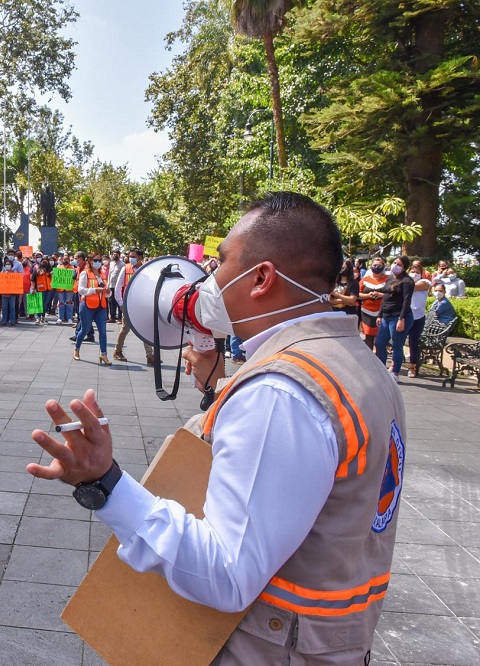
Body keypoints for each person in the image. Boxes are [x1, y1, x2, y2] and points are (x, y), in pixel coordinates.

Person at [27, 192, 405, 664]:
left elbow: (226, 572)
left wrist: (103, 482)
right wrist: (222, 391)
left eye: (221, 262)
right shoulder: (363, 369)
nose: (210, 278)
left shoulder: (281, 392)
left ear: (262, 277)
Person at [374, 256, 415, 380]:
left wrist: (401, 318)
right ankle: (381, 369)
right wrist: (380, 314)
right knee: (379, 343)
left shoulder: (407, 281)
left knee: (396, 344)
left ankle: (395, 372)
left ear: (404, 268)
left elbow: (406, 301)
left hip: (399, 317)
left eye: (399, 264)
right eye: (394, 262)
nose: (395, 265)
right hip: (386, 316)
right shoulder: (391, 279)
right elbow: (385, 298)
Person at [113, 249, 153, 365]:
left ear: (140, 257)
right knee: (125, 328)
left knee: (145, 329)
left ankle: (149, 356)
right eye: (130, 256)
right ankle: (117, 351)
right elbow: (118, 287)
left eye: (133, 256)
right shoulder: (125, 268)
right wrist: (121, 303)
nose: (131, 258)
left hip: (141, 304)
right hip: (128, 304)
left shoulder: (146, 270)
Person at [74, 253, 111, 365]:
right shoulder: (85, 273)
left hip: (101, 306)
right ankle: (77, 349)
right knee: (84, 330)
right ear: (90, 261)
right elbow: (81, 290)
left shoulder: (103, 274)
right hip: (87, 306)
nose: (98, 262)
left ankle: (104, 354)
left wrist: (108, 292)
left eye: (100, 260)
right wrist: (94, 290)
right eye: (95, 260)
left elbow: (106, 292)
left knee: (103, 331)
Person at [405, 260, 432, 379]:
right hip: (405, 315)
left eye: (417, 272)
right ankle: (395, 364)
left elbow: (413, 287)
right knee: (398, 340)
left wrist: (405, 282)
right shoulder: (406, 281)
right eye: (412, 272)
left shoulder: (424, 282)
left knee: (413, 342)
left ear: (421, 273)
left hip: (418, 318)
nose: (414, 274)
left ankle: (412, 366)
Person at [357, 255, 387, 350]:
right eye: (374, 265)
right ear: (371, 266)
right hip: (367, 312)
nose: (377, 267)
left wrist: (381, 294)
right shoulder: (364, 280)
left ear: (383, 266)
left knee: (380, 339)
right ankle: (369, 359)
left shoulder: (389, 279)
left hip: (382, 312)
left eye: (379, 265)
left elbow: (393, 293)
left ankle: (380, 360)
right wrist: (368, 296)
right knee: (368, 337)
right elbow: (357, 294)